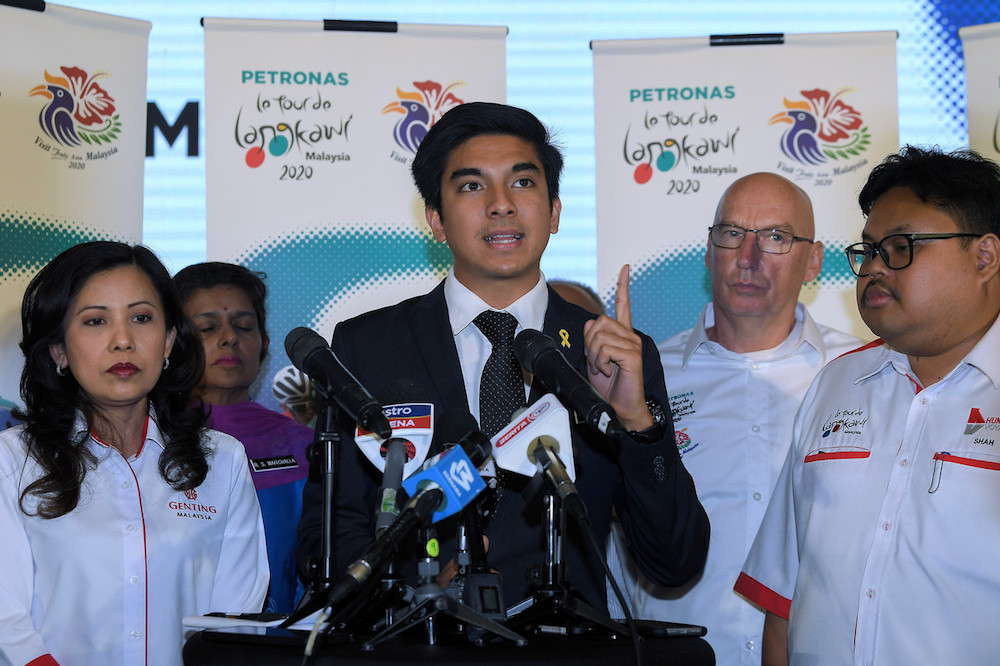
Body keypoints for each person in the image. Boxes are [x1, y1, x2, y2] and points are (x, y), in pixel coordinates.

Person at [297, 102, 710, 612]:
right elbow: (327, 539)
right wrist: (414, 598)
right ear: (436, 220)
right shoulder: (369, 345)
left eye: (522, 183)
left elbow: (674, 562)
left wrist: (638, 424)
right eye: (472, 186)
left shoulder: (611, 352)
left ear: (555, 211)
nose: (500, 205)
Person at [735, 147, 1000, 664]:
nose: (875, 267)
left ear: (985, 258)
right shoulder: (835, 384)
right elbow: (782, 603)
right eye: (869, 250)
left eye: (901, 247)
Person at [607, 172, 862, 663]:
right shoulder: (643, 381)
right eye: (731, 235)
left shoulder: (862, 375)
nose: (749, 259)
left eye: (775, 237)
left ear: (814, 262)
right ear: (708, 251)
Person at [0, 242, 268, 666]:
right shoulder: (12, 461)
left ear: (168, 341)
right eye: (95, 321)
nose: (122, 340)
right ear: (59, 351)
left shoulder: (222, 460)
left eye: (141, 318)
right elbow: (7, 621)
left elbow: (234, 618)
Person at [175, 262, 313, 614]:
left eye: (243, 326)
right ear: (171, 344)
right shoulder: (147, 440)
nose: (229, 338)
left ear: (264, 344)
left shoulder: (308, 446)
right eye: (206, 327)